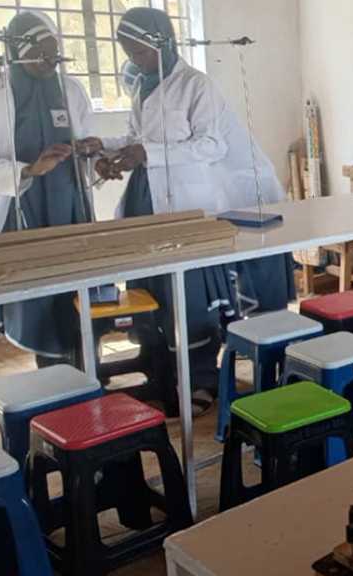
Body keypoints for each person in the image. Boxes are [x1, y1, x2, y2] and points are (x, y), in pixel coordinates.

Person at [96, 7, 291, 412]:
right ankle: (163, 372)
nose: (133, 60)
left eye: (138, 51)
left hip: (189, 202)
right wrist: (105, 147)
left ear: (162, 44)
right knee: (154, 291)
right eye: (128, 52)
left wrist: (146, 153)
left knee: (190, 296)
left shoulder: (196, 86)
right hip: (150, 199)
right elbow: (136, 136)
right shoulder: (142, 85)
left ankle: (202, 379)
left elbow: (212, 145)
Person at [0, 11, 101, 366]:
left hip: (70, 203)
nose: (51, 62)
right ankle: (53, 372)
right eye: (41, 55)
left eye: (55, 54)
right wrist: (30, 170)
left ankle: (87, 368)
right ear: (17, 53)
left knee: (79, 287)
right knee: (38, 295)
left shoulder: (70, 89)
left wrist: (89, 151)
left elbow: (86, 135)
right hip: (23, 208)